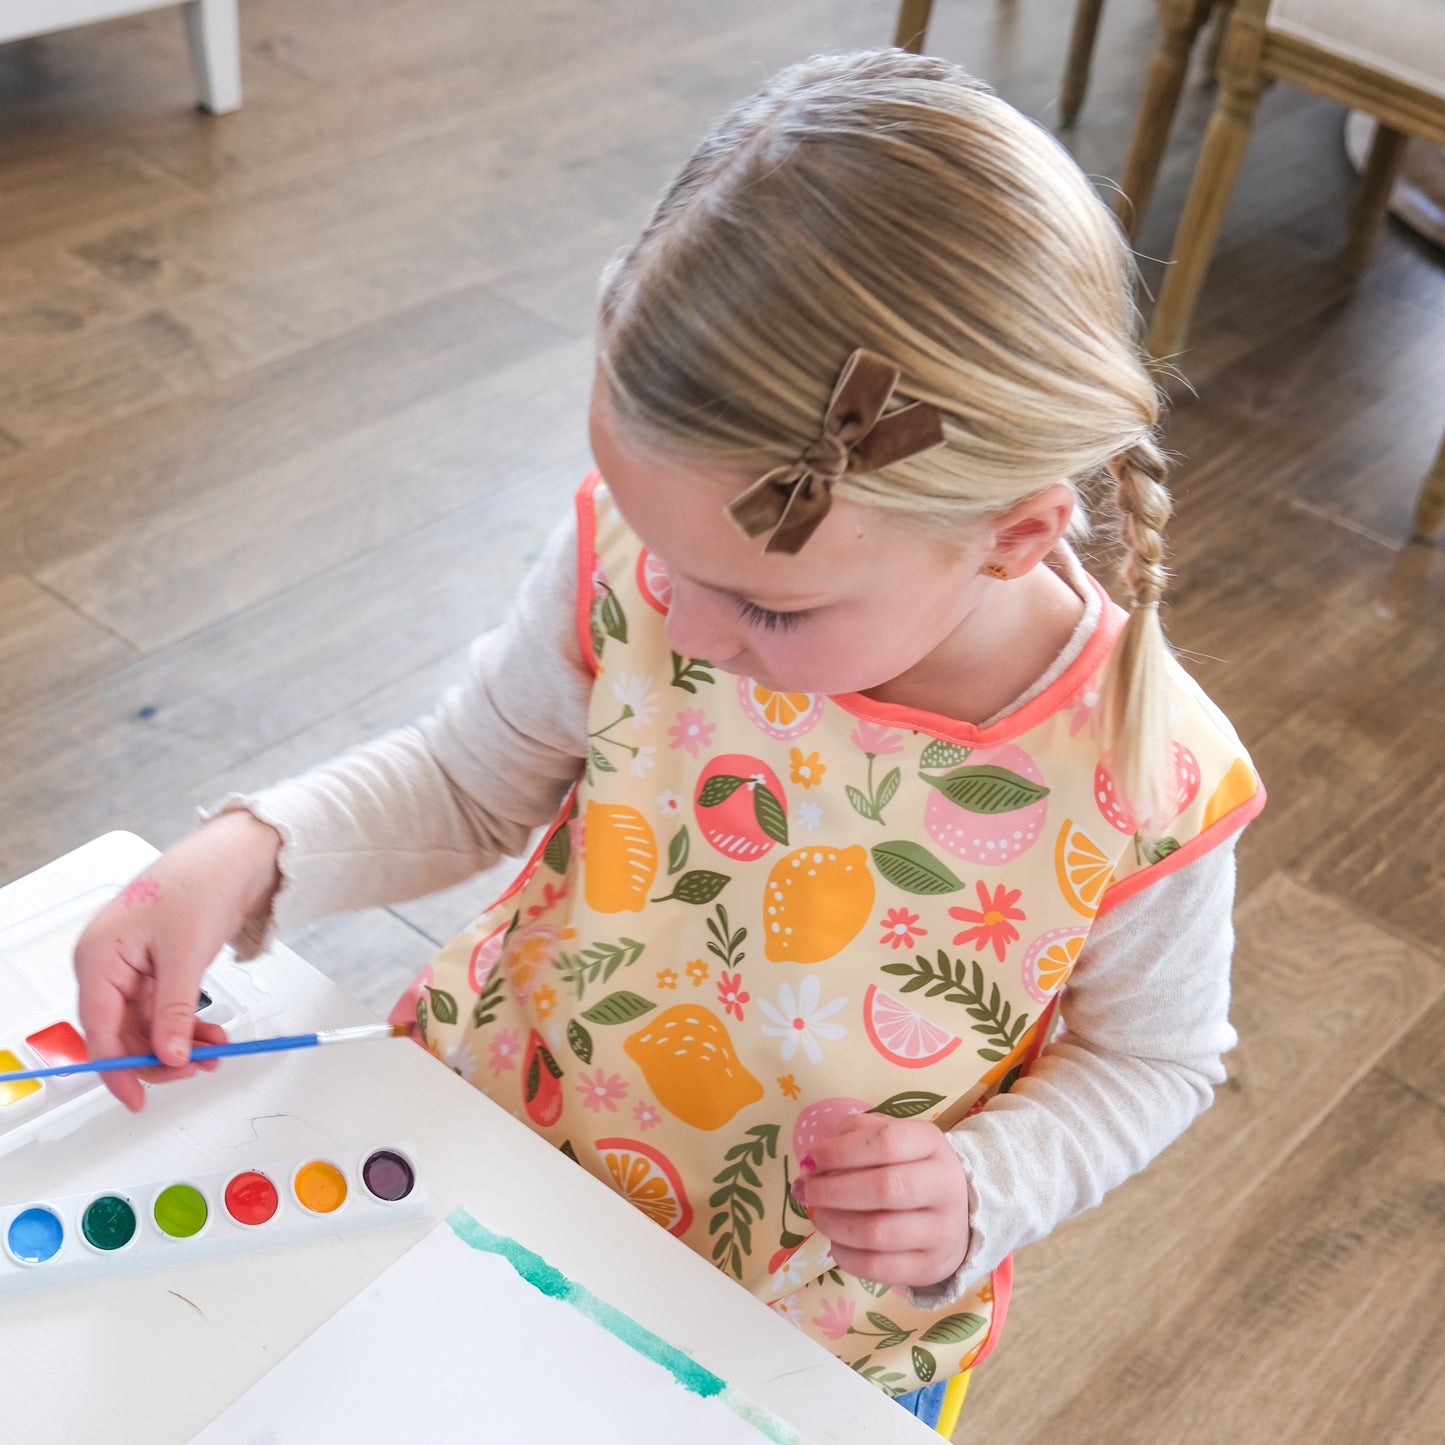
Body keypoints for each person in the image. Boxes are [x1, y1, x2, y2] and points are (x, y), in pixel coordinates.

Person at [74, 49, 1264, 1433]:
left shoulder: (1146, 776)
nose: (682, 620)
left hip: (797, 1322)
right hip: (493, 1150)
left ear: (1013, 533)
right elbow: (468, 780)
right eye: (657, 548)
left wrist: (981, 1189)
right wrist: (249, 850)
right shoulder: (666, 552)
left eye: (764, 601)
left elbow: (1153, 1061)